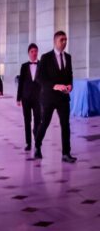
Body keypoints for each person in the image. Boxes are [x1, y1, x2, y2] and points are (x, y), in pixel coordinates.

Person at [34, 30, 76, 162]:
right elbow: (39, 78)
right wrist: (54, 86)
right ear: (55, 41)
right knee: (44, 123)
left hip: (63, 98)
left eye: (65, 40)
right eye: (61, 40)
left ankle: (66, 153)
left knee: (65, 125)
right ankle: (37, 145)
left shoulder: (68, 57)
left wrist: (70, 85)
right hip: (49, 98)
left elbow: (70, 75)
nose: (64, 42)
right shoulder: (46, 58)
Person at [15, 43, 42, 155]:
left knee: (37, 121)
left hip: (38, 98)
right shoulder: (24, 66)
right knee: (27, 121)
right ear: (28, 53)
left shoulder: (42, 65)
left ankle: (37, 142)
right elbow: (20, 83)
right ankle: (28, 143)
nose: (34, 53)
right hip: (26, 98)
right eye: (32, 51)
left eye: (36, 51)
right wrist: (18, 98)